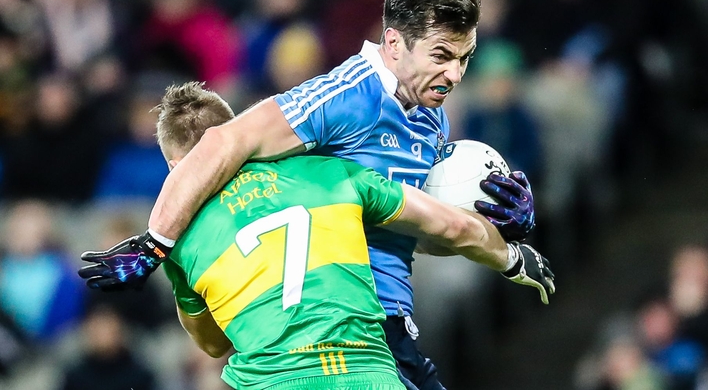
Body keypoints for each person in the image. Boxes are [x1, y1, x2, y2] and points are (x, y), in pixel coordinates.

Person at [78, 0, 545, 388]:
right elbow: (226, 139)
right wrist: (155, 243)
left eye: (465, 59)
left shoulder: (430, 116)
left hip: (384, 324)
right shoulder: (345, 95)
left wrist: (493, 223)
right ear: (395, 43)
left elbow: (409, 229)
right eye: (442, 56)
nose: (456, 74)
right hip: (348, 323)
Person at [80, 83, 554, 389]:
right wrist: (512, 253)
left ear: (173, 169)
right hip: (368, 371)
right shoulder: (329, 172)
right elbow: (448, 224)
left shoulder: (178, 241)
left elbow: (212, 345)